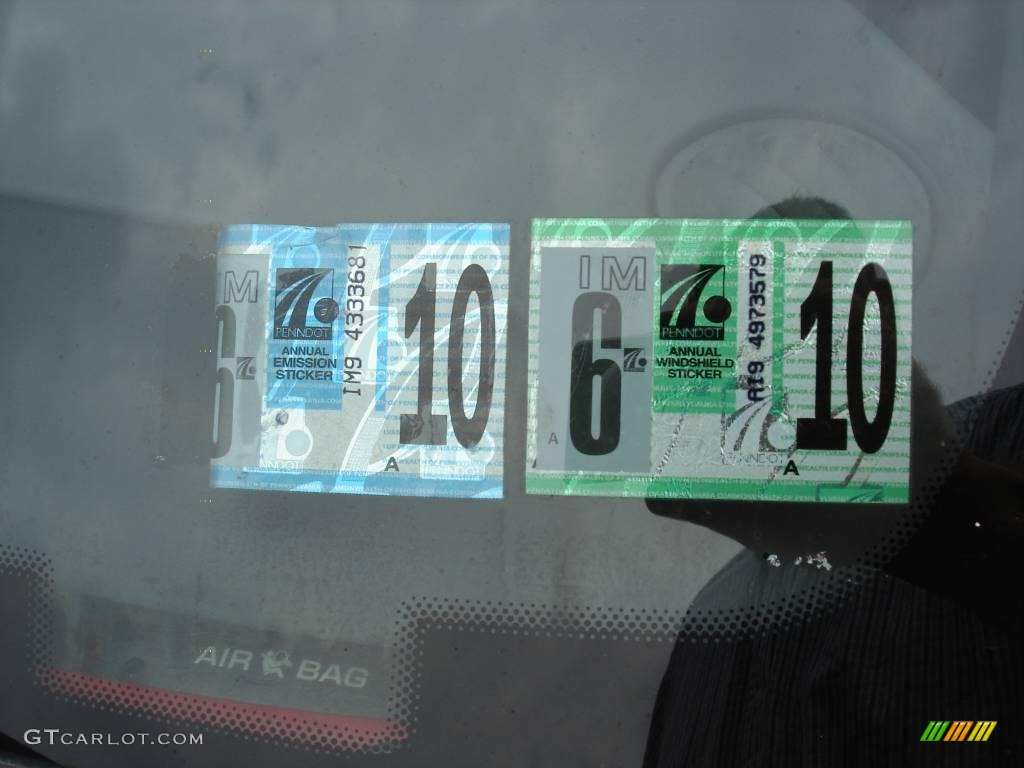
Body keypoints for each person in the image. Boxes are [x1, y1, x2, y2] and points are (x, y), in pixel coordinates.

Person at [643, 197, 1024, 766]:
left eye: (799, 319)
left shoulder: (1007, 433)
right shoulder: (707, 624)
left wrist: (923, 490)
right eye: (738, 331)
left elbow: (984, 731)